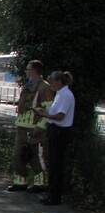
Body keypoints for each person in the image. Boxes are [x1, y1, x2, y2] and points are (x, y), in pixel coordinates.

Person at [7, 60, 53, 193]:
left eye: (28, 69)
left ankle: (40, 184)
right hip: (22, 126)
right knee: (18, 155)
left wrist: (41, 126)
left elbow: (49, 110)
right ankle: (20, 182)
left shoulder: (45, 88)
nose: (26, 71)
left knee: (35, 157)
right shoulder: (28, 85)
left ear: (35, 71)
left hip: (34, 127)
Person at [34, 71, 75, 206]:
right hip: (57, 130)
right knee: (53, 163)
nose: (50, 84)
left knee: (56, 164)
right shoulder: (61, 94)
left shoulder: (64, 95)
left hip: (60, 131)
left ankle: (55, 196)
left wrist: (45, 115)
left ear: (58, 81)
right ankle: (52, 194)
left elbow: (60, 116)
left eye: (51, 81)